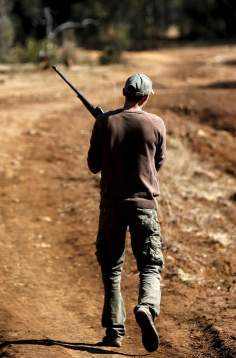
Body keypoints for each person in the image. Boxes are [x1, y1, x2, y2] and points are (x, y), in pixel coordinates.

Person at [87, 73, 166, 352]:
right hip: (144, 206)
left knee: (111, 268)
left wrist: (103, 129)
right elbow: (158, 162)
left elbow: (93, 165)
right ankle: (146, 307)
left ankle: (114, 331)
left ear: (124, 93)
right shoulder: (156, 123)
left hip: (111, 207)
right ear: (145, 97)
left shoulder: (104, 123)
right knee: (151, 265)